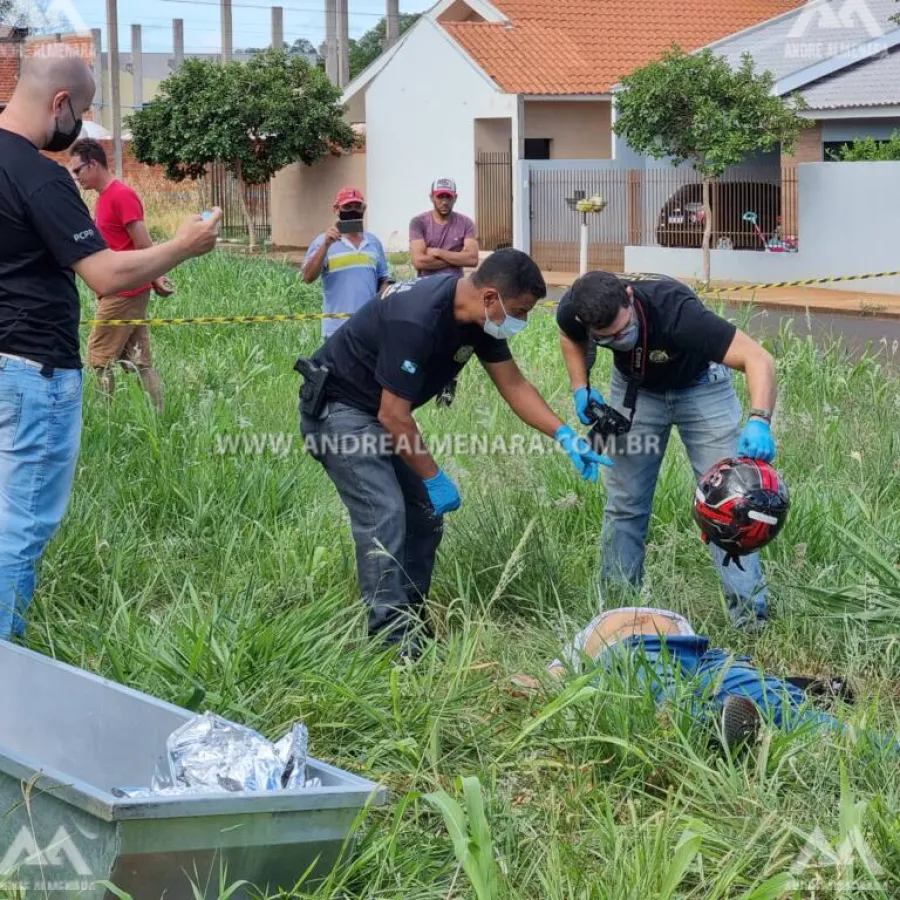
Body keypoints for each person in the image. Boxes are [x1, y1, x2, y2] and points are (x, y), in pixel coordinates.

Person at [0, 54, 221, 641]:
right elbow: (104, 274)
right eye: (85, 110)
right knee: (19, 526)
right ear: (60, 104)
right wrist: (184, 245)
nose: (83, 125)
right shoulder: (42, 176)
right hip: (32, 370)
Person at [298, 250, 611, 658]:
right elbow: (394, 416)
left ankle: (409, 619)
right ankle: (391, 648)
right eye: (520, 310)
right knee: (385, 515)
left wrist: (566, 435)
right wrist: (433, 477)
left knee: (425, 515)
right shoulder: (418, 317)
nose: (522, 320)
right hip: (339, 412)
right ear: (490, 296)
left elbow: (514, 385)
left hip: (379, 414)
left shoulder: (480, 319)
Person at [556, 271, 778, 631]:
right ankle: (617, 617)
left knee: (732, 506)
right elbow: (569, 336)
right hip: (637, 388)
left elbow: (759, 359)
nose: (618, 340)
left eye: (622, 329)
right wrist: (580, 386)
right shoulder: (575, 309)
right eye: (606, 339)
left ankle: (751, 619)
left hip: (702, 385)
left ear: (629, 296)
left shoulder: (677, 313)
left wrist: (760, 420)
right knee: (625, 504)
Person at [511, 607, 898, 755]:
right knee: (665, 692)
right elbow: (547, 683)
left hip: (704, 657)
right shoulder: (584, 643)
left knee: (777, 700)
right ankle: (719, 725)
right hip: (633, 654)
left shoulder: (666, 617)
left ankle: (885, 747)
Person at [68, 137, 174, 412]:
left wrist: (155, 276)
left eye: (78, 170)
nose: (76, 177)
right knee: (138, 362)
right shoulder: (105, 197)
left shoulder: (121, 194)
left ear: (93, 164)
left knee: (99, 359)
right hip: (125, 290)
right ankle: (159, 416)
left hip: (124, 292)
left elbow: (143, 244)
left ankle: (106, 419)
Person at [409, 177, 480, 408]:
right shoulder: (418, 222)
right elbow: (418, 260)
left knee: (452, 347)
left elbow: (472, 258)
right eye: (440, 196)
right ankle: (416, 396)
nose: (444, 201)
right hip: (425, 294)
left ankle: (445, 402)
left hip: (455, 295)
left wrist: (437, 252)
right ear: (432, 197)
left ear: (455, 198)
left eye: (448, 197)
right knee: (423, 345)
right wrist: (453, 256)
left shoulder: (466, 223)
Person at [302, 187, 391, 343]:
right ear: (336, 209)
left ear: (364, 208)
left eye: (357, 206)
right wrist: (326, 245)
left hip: (369, 326)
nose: (353, 210)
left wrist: (384, 297)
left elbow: (383, 278)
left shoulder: (373, 242)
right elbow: (308, 277)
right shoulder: (322, 242)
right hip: (336, 329)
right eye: (347, 207)